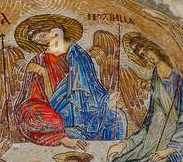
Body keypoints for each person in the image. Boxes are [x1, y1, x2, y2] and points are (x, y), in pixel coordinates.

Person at [14, 14, 125, 147]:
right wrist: (44, 73)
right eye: (39, 41)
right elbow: (33, 101)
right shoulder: (38, 62)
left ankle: (114, 155)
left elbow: (91, 89)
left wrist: (106, 101)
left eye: (43, 36)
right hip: (57, 117)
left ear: (56, 31)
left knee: (117, 118)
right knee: (39, 118)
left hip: (86, 112)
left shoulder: (79, 55)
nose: (43, 42)